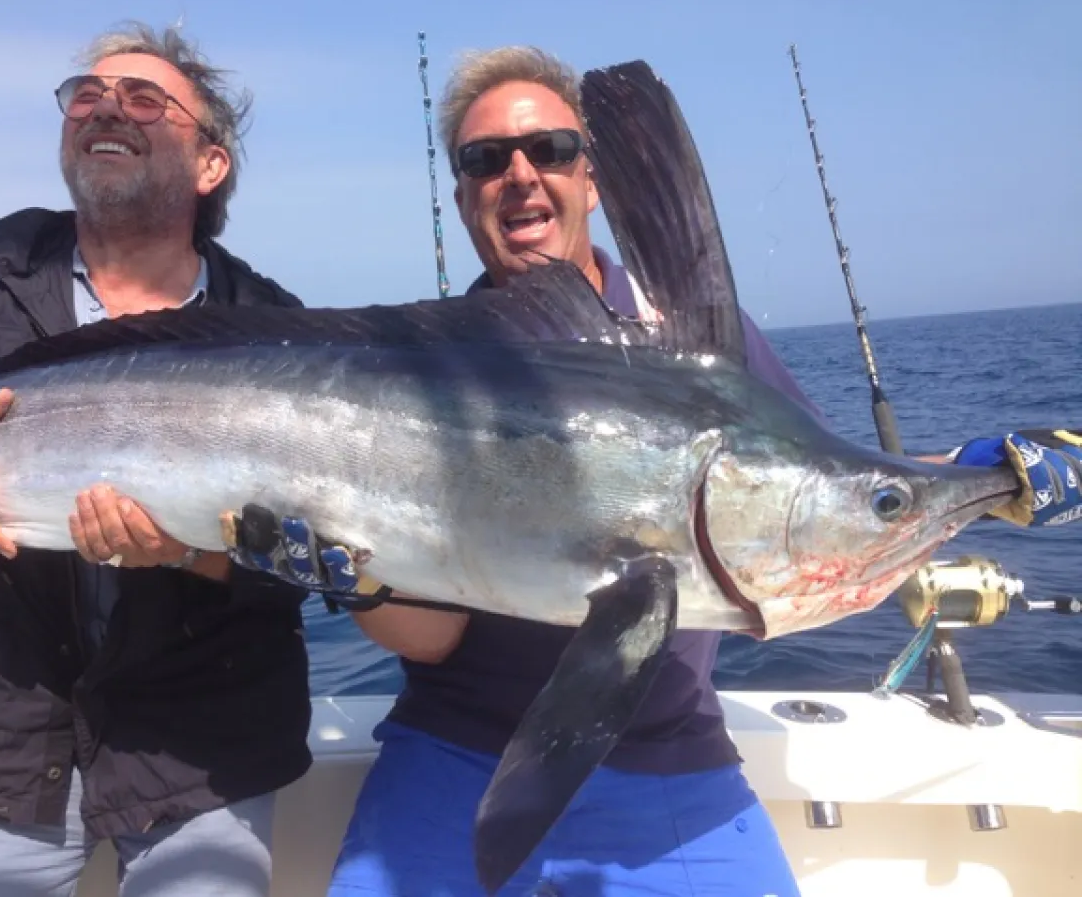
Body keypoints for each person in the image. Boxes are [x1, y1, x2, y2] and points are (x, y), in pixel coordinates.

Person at [245, 46, 1080, 896]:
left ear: (593, 179)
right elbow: (437, 638)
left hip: (671, 765)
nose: (521, 175)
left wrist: (987, 477)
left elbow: (826, 481)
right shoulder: (426, 373)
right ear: (463, 196)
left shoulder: (707, 346)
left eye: (554, 151)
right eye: (485, 159)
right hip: (456, 752)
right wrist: (358, 584)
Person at [0, 22, 314, 897]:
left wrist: (191, 555)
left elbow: (319, 559)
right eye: (87, 93)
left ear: (210, 165)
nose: (105, 104)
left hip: (200, 758)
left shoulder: (274, 326)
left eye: (145, 97)